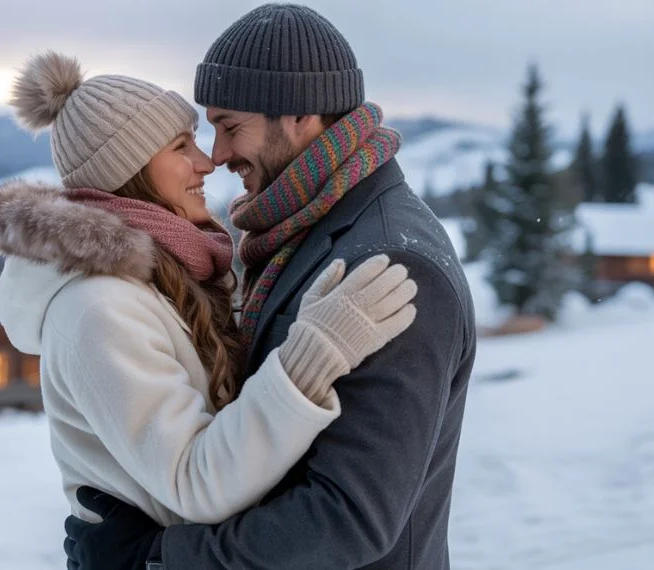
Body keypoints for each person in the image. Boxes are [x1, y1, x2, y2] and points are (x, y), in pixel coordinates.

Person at [62, 3, 477, 570]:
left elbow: (346, 518)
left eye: (230, 127)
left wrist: (159, 556)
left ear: (303, 115)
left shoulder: (390, 263)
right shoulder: (296, 233)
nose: (218, 155)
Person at [0, 51, 418, 542]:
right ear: (132, 171)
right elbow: (196, 483)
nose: (208, 162)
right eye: (181, 147)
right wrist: (313, 355)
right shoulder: (99, 310)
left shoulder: (174, 278)